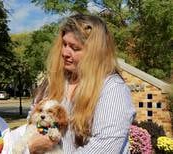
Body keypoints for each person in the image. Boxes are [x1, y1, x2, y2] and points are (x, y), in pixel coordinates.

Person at [31, 13, 136, 153]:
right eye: (64, 44)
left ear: (95, 53)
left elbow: (106, 146)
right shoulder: (53, 81)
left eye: (75, 48)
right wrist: (30, 145)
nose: (65, 53)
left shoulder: (112, 88)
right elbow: (32, 119)